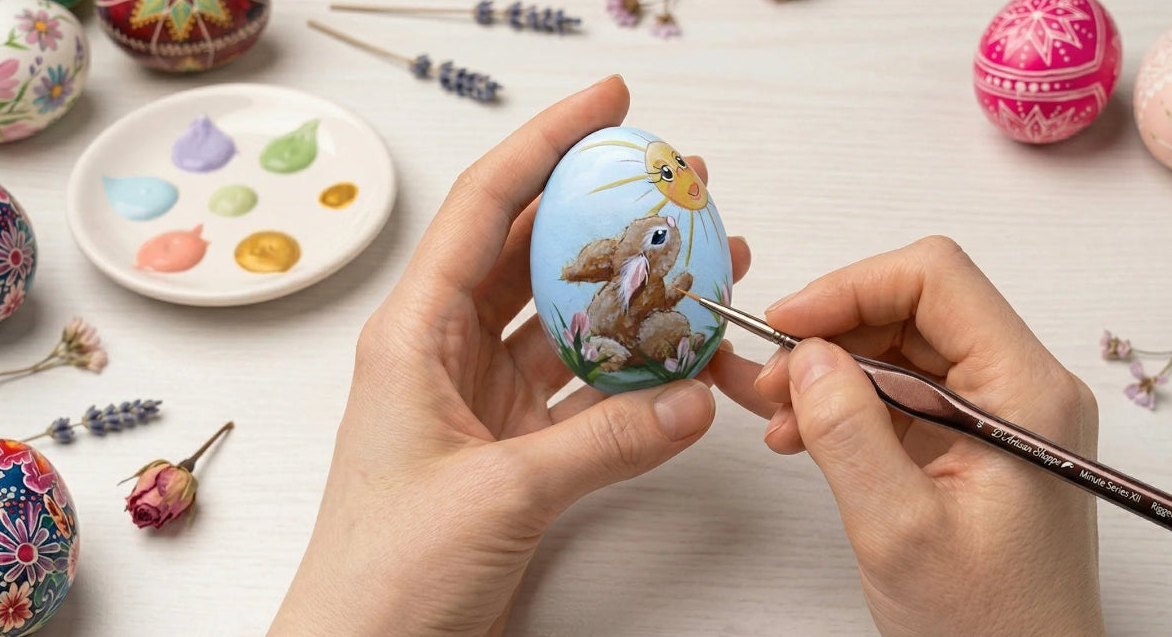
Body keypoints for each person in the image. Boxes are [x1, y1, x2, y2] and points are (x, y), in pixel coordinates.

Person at [267, 77, 1105, 635]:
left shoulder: (658, 273)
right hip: (618, 330)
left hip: (655, 328)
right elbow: (591, 269)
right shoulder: (618, 264)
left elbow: (637, 276)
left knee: (665, 329)